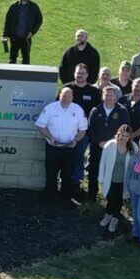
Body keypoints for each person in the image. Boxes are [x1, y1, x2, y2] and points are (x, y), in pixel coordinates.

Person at [35, 87, 87, 204]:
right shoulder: (50, 108)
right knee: (51, 173)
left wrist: (76, 140)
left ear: (72, 97)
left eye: (69, 96)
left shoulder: (78, 110)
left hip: (70, 148)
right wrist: (50, 137)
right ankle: (50, 199)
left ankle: (65, 199)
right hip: (53, 147)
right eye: (64, 96)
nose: (66, 99)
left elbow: (83, 129)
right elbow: (40, 125)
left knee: (68, 175)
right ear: (59, 96)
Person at [87, 86, 129, 202]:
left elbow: (125, 129)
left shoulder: (122, 110)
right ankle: (92, 197)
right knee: (93, 171)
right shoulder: (95, 110)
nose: (109, 97)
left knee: (112, 173)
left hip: (114, 148)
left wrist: (114, 143)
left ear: (115, 97)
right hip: (97, 147)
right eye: (106, 95)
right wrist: (99, 142)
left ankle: (111, 199)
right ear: (102, 96)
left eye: (111, 95)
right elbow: (90, 130)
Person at [64, 64, 99, 194]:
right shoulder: (67, 88)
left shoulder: (94, 91)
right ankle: (64, 180)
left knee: (79, 156)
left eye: (83, 73)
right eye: (78, 73)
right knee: (65, 156)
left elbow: (97, 112)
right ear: (74, 74)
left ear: (87, 75)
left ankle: (76, 182)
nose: (80, 75)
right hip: (66, 130)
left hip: (84, 132)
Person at [96, 125, 136, 234]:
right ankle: (108, 215)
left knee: (119, 201)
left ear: (130, 137)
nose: (124, 138)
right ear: (118, 134)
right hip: (111, 179)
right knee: (111, 199)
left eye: (127, 136)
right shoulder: (110, 145)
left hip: (124, 181)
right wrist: (101, 178)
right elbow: (103, 162)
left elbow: (137, 163)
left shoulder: (133, 147)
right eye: (122, 135)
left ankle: (115, 218)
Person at [1, 0, 42, 64]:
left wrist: (32, 32)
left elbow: (39, 20)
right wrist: (4, 35)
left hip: (26, 38)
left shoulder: (33, 7)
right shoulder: (14, 6)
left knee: (26, 59)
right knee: (12, 58)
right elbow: (7, 21)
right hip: (14, 38)